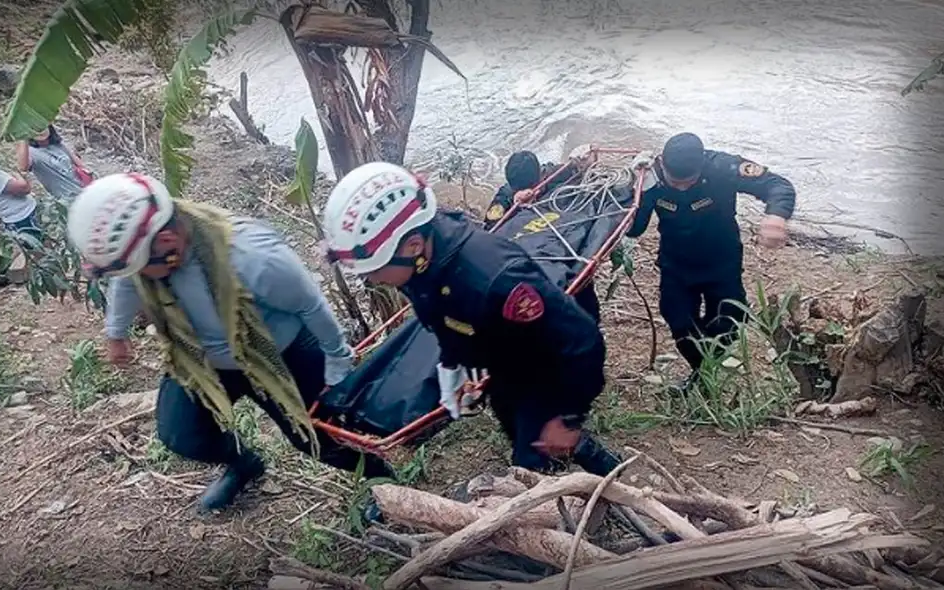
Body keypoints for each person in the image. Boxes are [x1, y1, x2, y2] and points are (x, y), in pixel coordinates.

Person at [67, 172, 395, 513]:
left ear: (166, 241)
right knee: (182, 433)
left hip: (281, 354)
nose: (139, 277)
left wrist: (338, 365)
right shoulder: (147, 258)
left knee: (317, 441)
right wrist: (116, 333)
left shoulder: (252, 256)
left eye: (141, 266)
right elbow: (127, 280)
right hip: (204, 357)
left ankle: (380, 478)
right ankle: (243, 464)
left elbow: (310, 306)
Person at [322, 162, 622, 477]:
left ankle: (593, 465)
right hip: (504, 365)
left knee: (528, 464)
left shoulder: (497, 280)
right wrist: (451, 365)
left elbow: (582, 340)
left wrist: (569, 418)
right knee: (509, 415)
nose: (373, 280)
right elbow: (439, 317)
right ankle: (574, 446)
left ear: (412, 246)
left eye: (375, 270)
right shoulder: (421, 264)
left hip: (543, 370)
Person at [626, 132, 796, 391]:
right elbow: (635, 229)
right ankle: (704, 374)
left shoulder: (722, 167)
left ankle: (704, 376)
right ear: (663, 162)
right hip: (676, 265)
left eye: (689, 182)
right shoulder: (651, 176)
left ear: (701, 167)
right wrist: (634, 189)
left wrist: (776, 216)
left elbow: (777, 185)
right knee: (681, 324)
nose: (682, 188)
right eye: (676, 182)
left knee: (730, 321)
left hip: (722, 262)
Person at [482, 149, 602, 323]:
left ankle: (592, 324)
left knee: (582, 288)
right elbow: (492, 229)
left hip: (563, 242)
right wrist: (515, 204)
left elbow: (587, 166)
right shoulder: (505, 197)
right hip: (530, 251)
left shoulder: (553, 176)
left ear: (539, 176)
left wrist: (582, 158)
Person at [16, 124, 93, 204]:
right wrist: (23, 138)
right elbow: (23, 167)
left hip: (83, 190)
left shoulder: (58, 144)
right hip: (67, 199)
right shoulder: (31, 153)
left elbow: (79, 164)